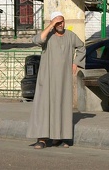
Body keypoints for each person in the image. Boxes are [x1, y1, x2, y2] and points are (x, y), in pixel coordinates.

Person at [27, 11, 86, 149]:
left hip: (63, 78)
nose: (61, 24)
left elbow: (82, 47)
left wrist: (76, 62)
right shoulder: (48, 36)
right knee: (43, 106)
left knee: (62, 105)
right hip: (47, 77)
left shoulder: (70, 36)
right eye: (58, 22)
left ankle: (60, 137)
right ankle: (41, 139)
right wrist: (51, 25)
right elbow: (36, 40)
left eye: (62, 22)